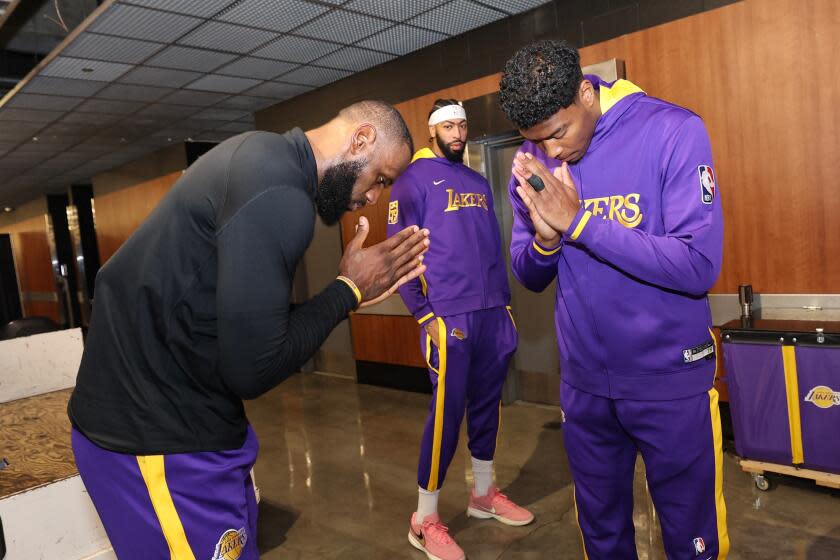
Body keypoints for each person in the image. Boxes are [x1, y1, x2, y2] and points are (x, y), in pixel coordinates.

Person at [68, 100, 429, 560]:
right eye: (380, 178)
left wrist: (346, 291)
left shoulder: (263, 157)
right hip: (156, 440)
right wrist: (347, 291)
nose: (375, 197)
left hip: (191, 423)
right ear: (360, 140)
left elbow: (245, 322)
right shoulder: (280, 194)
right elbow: (252, 368)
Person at [498, 40, 728, 559]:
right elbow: (528, 274)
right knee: (602, 537)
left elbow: (698, 264)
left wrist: (580, 224)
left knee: (691, 540)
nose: (550, 151)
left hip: (669, 380)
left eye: (558, 133)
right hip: (585, 388)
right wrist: (547, 241)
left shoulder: (672, 130)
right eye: (536, 141)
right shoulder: (532, 161)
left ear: (586, 92)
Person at [387, 99, 534, 560]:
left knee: (488, 407)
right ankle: (424, 518)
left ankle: (483, 495)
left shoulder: (475, 181)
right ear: (431, 131)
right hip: (448, 317)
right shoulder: (410, 182)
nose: (458, 132)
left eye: (462, 125)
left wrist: (505, 307)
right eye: (449, 125)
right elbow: (400, 255)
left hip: (492, 313)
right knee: (446, 416)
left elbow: (489, 246)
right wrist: (424, 315)